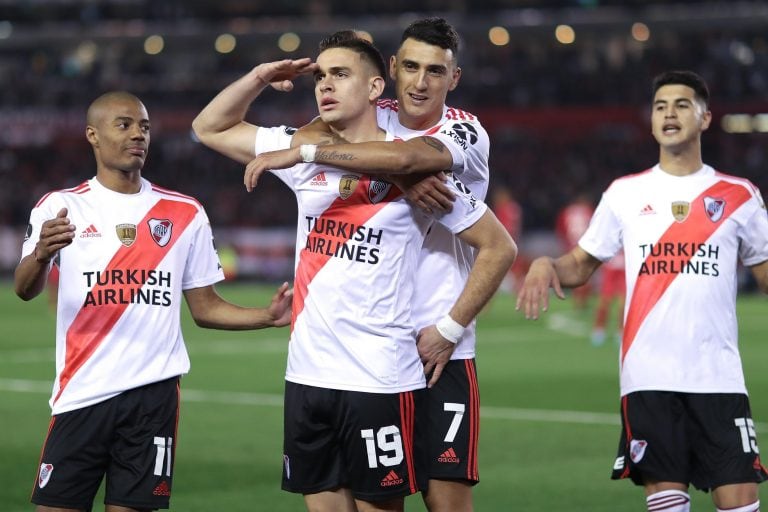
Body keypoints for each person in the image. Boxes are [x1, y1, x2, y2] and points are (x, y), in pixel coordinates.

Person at [196, 31, 516, 512]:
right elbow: (214, 128)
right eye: (410, 67)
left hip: (427, 346)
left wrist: (450, 327)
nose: (421, 82)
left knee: (444, 498)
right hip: (327, 362)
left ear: (454, 77)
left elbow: (412, 160)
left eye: (435, 70)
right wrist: (263, 77)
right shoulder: (342, 129)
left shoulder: (453, 139)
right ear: (391, 72)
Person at [14, 91, 293, 512]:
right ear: (93, 134)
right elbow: (25, 288)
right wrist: (40, 256)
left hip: (153, 398)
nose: (137, 135)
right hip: (82, 395)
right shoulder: (62, 206)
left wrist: (267, 316)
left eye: (143, 126)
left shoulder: (185, 212)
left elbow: (205, 308)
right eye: (123, 124)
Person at [516, 70, 768, 512]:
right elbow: (581, 263)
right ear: (652, 122)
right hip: (649, 378)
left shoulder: (740, 196)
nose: (669, 113)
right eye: (660, 106)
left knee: (742, 501)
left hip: (719, 377)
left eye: (682, 105)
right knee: (669, 504)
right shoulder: (625, 194)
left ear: (705, 118)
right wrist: (546, 263)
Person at [554, 193, 595, 309]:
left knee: (576, 272)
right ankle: (581, 301)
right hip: (586, 245)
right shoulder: (588, 210)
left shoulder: (567, 211)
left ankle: (578, 300)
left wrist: (565, 244)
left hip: (571, 245)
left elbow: (560, 229)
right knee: (586, 272)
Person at [590, 251, 625, 346]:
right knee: (605, 301)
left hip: (624, 270)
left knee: (624, 304)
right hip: (611, 270)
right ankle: (599, 330)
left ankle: (621, 331)